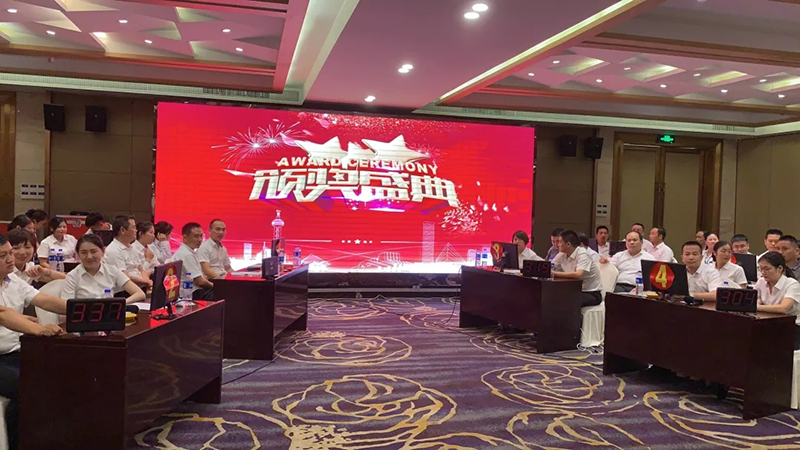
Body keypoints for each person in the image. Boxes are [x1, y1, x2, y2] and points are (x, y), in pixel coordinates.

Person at [0, 233, 67, 450]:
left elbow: (45, 300)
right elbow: (4, 314)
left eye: (9, 253)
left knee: (61, 373)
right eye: (2, 256)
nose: (10, 259)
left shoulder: (13, 281)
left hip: (19, 351)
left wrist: (83, 309)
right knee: (28, 385)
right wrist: (39, 329)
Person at [62, 234, 146, 304]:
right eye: (84, 253)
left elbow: (140, 294)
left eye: (93, 251)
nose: (89, 257)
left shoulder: (112, 270)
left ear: (103, 251)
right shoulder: (72, 276)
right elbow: (66, 306)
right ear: (78, 254)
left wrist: (120, 304)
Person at [755, 252, 800, 349]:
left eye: (767, 269)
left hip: (792, 327)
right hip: (769, 324)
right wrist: (758, 301)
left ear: (780, 268)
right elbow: (756, 297)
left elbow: (783, 308)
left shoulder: (792, 284)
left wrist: (757, 307)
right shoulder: (761, 282)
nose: (763, 273)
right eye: (761, 269)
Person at [552, 230, 603, 307]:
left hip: (591, 293)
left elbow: (578, 274)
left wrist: (555, 274)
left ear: (568, 244)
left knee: (567, 300)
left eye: (559, 242)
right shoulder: (561, 254)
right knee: (552, 296)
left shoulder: (583, 254)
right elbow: (551, 266)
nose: (557, 245)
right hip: (574, 290)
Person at [103, 216, 152, 289]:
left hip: (140, 286)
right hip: (125, 291)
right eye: (133, 227)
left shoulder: (132, 247)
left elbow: (141, 269)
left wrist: (148, 284)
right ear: (122, 230)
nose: (136, 230)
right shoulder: (113, 250)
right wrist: (147, 283)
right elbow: (124, 277)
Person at [171, 222, 215, 300]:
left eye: (201, 236)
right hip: (192, 294)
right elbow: (200, 282)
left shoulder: (187, 251)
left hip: (193, 291)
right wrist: (217, 286)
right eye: (196, 236)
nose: (200, 240)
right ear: (185, 238)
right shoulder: (187, 255)